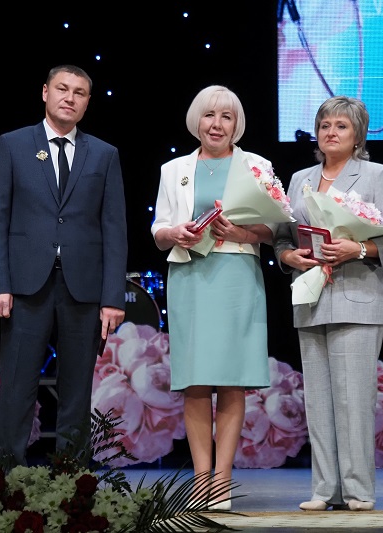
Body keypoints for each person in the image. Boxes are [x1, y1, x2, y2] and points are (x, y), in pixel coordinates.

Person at [0, 64, 128, 466]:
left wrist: (113, 297)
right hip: (24, 286)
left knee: (77, 390)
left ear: (87, 102)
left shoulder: (104, 154)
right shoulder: (12, 145)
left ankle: (73, 481)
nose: (70, 97)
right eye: (62, 89)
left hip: (84, 287)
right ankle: (3, 478)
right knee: (17, 386)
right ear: (45, 92)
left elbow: (114, 229)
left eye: (79, 92)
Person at [273, 96, 383, 512]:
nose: (331, 132)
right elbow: (283, 236)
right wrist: (289, 256)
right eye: (325, 125)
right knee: (318, 401)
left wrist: (357, 248)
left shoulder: (376, 174)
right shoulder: (300, 178)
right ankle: (324, 489)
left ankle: (358, 491)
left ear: (358, 134)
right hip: (310, 297)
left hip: (357, 297)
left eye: (341, 126)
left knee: (353, 399)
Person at [151, 85, 273, 511]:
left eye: (226, 116)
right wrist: (174, 232)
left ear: (236, 124)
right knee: (196, 380)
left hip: (237, 277)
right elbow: (159, 228)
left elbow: (275, 228)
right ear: (196, 121)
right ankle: (201, 481)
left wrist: (241, 233)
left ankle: (222, 480)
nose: (217, 124)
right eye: (209, 115)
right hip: (190, 276)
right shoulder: (174, 169)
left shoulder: (257, 166)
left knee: (232, 379)